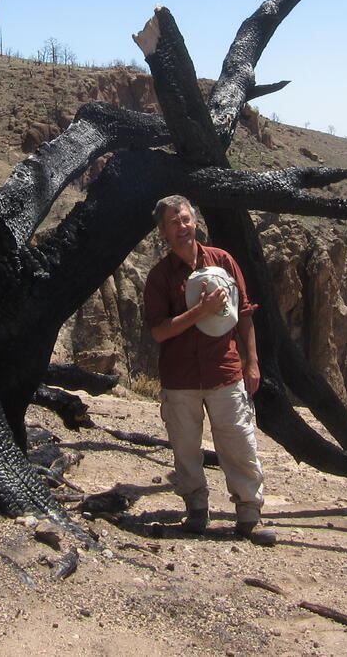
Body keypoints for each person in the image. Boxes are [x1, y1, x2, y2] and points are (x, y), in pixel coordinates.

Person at [142, 195, 274, 545]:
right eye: (173, 222)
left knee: (238, 442)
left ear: (194, 221)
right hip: (180, 377)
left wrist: (252, 362)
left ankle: (249, 512)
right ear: (163, 232)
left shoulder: (223, 262)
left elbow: (243, 314)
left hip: (224, 372)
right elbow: (158, 330)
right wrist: (199, 312)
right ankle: (196, 509)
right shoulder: (160, 277)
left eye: (185, 218)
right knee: (186, 447)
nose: (181, 226)